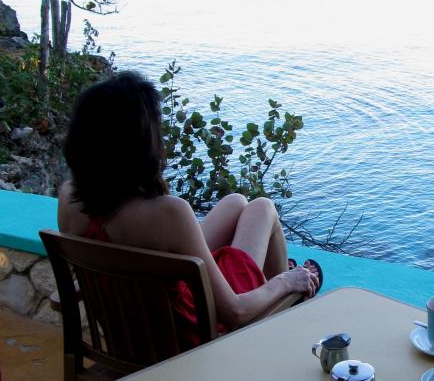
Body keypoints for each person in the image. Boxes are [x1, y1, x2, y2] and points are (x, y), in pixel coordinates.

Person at [58, 71, 321, 345]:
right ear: (141, 143)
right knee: (263, 208)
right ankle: (284, 301)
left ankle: (262, 276)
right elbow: (235, 311)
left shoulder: (69, 199)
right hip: (190, 340)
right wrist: (285, 282)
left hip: (134, 333)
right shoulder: (168, 214)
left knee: (236, 202)